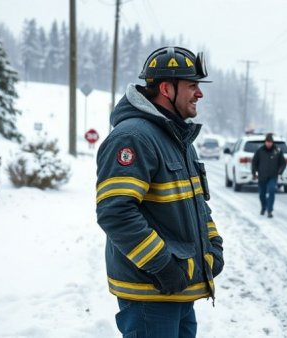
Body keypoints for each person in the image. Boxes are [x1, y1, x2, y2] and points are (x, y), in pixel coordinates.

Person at [95, 46, 224, 338]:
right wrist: (163, 265)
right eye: (192, 85)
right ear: (166, 88)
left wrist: (213, 245)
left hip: (177, 292)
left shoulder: (177, 139)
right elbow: (115, 212)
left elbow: (196, 205)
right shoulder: (134, 138)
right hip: (151, 295)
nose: (199, 94)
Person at [252, 133, 286, 218]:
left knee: (271, 191)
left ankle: (270, 210)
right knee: (262, 194)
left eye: (270, 142)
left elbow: (283, 163)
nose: (269, 143)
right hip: (262, 176)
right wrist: (254, 172)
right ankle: (263, 207)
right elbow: (254, 162)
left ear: (272, 142)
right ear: (265, 142)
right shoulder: (260, 151)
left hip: (273, 176)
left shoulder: (277, 150)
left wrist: (280, 172)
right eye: (267, 142)